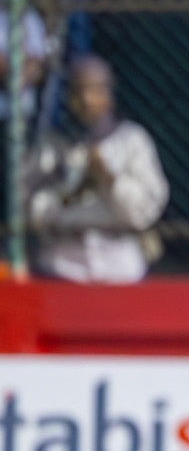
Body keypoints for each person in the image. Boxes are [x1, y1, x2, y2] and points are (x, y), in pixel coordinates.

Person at [26, 55, 167, 282]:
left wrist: (109, 179)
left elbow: (146, 212)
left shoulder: (132, 140)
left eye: (93, 90)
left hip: (120, 268)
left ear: (108, 93)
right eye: (77, 92)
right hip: (62, 267)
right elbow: (31, 211)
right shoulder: (52, 146)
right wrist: (73, 190)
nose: (85, 100)